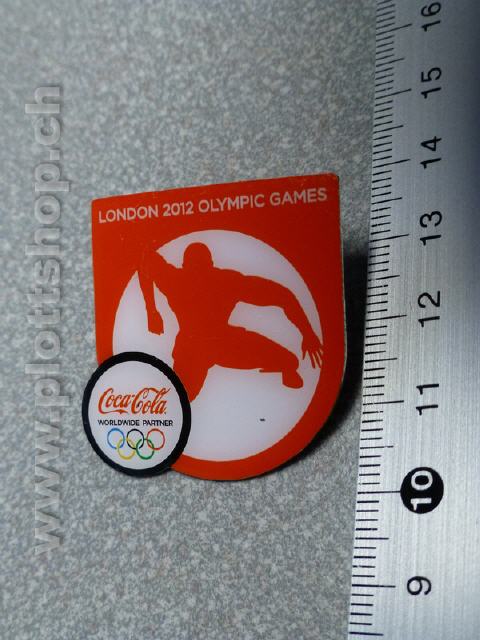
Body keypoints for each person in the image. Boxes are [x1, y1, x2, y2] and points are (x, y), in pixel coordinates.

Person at [139, 243, 322, 401]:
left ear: (184, 265)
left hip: (212, 343)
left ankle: (287, 368)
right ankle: (286, 367)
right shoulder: (225, 280)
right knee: (182, 398)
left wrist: (151, 311)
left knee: (288, 361)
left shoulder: (176, 279)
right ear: (211, 264)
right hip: (210, 345)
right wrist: (307, 333)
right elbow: (283, 296)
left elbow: (146, 260)